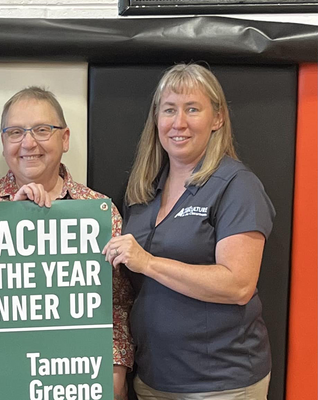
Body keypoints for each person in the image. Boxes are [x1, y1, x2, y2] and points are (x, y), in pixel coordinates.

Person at [102, 63, 275, 399]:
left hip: (220, 383)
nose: (178, 123)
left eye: (192, 109)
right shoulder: (143, 190)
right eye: (169, 110)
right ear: (157, 119)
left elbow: (238, 285)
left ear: (217, 118)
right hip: (154, 377)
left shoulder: (238, 186)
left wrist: (149, 262)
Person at [0, 86, 134, 399]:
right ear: (3, 142)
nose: (28, 143)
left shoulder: (98, 212)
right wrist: (13, 214)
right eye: (15, 132)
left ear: (64, 139)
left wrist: (116, 368)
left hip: (73, 380)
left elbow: (116, 303)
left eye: (41, 130)